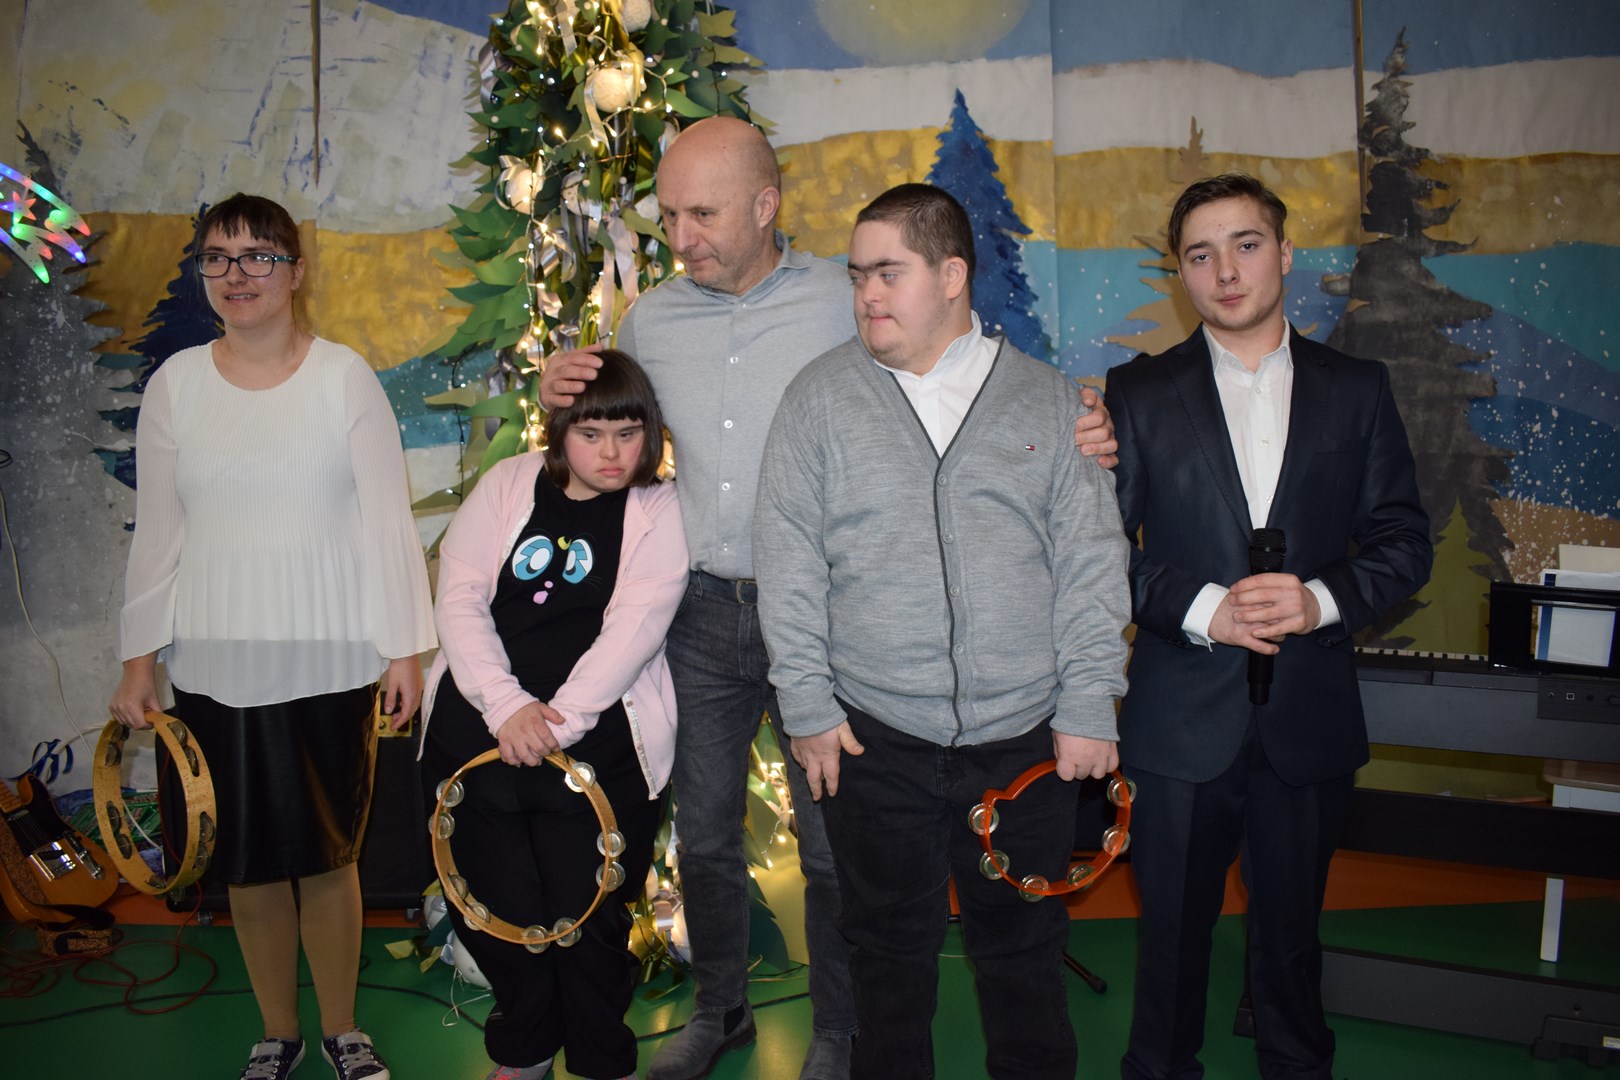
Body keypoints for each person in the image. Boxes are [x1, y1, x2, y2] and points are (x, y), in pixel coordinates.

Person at [540, 116, 1120, 1080]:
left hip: (871, 644)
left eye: (701, 214)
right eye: (669, 215)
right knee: (712, 837)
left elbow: (985, 404)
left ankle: (840, 1033)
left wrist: (1088, 412)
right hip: (712, 616)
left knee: (847, 860)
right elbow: (621, 440)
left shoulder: (859, 313)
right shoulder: (659, 325)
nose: (681, 236)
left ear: (766, 206)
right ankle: (722, 1010)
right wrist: (565, 390)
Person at [753, 182, 1132, 1080]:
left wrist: (1090, 702)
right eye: (857, 276)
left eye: (889, 273)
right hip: (872, 739)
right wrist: (807, 706)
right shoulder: (817, 400)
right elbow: (789, 560)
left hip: (1028, 743)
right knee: (885, 963)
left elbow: (1091, 563)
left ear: (953, 275)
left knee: (1024, 957)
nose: (866, 295)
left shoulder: (1053, 405)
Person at [1104, 173, 1432, 1080]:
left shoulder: (1357, 389)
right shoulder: (1136, 394)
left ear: (1285, 254)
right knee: (1170, 941)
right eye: (1200, 255)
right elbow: (1097, 552)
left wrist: (1319, 599)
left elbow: (1405, 541)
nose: (1226, 271)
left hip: (1307, 715)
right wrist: (1201, 608)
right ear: (1181, 275)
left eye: (1246, 245)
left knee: (1291, 942)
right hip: (1179, 722)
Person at [110, 193, 436, 1080]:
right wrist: (138, 663)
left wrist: (403, 650)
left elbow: (386, 523)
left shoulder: (343, 378)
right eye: (218, 257)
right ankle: (277, 1033)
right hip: (215, 664)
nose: (237, 274)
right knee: (247, 865)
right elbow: (159, 535)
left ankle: (343, 1031)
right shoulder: (176, 386)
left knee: (329, 857)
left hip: (331, 659)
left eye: (258, 255)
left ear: (296, 271)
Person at [420, 349, 688, 1080]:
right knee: (499, 912)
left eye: (628, 433)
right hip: (479, 730)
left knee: (592, 919)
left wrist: (556, 724)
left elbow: (636, 627)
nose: (612, 453)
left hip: (596, 740)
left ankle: (603, 1060)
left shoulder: (659, 508)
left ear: (650, 433)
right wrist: (507, 706)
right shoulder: (509, 483)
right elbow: (459, 596)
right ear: (560, 431)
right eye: (591, 434)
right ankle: (526, 1048)